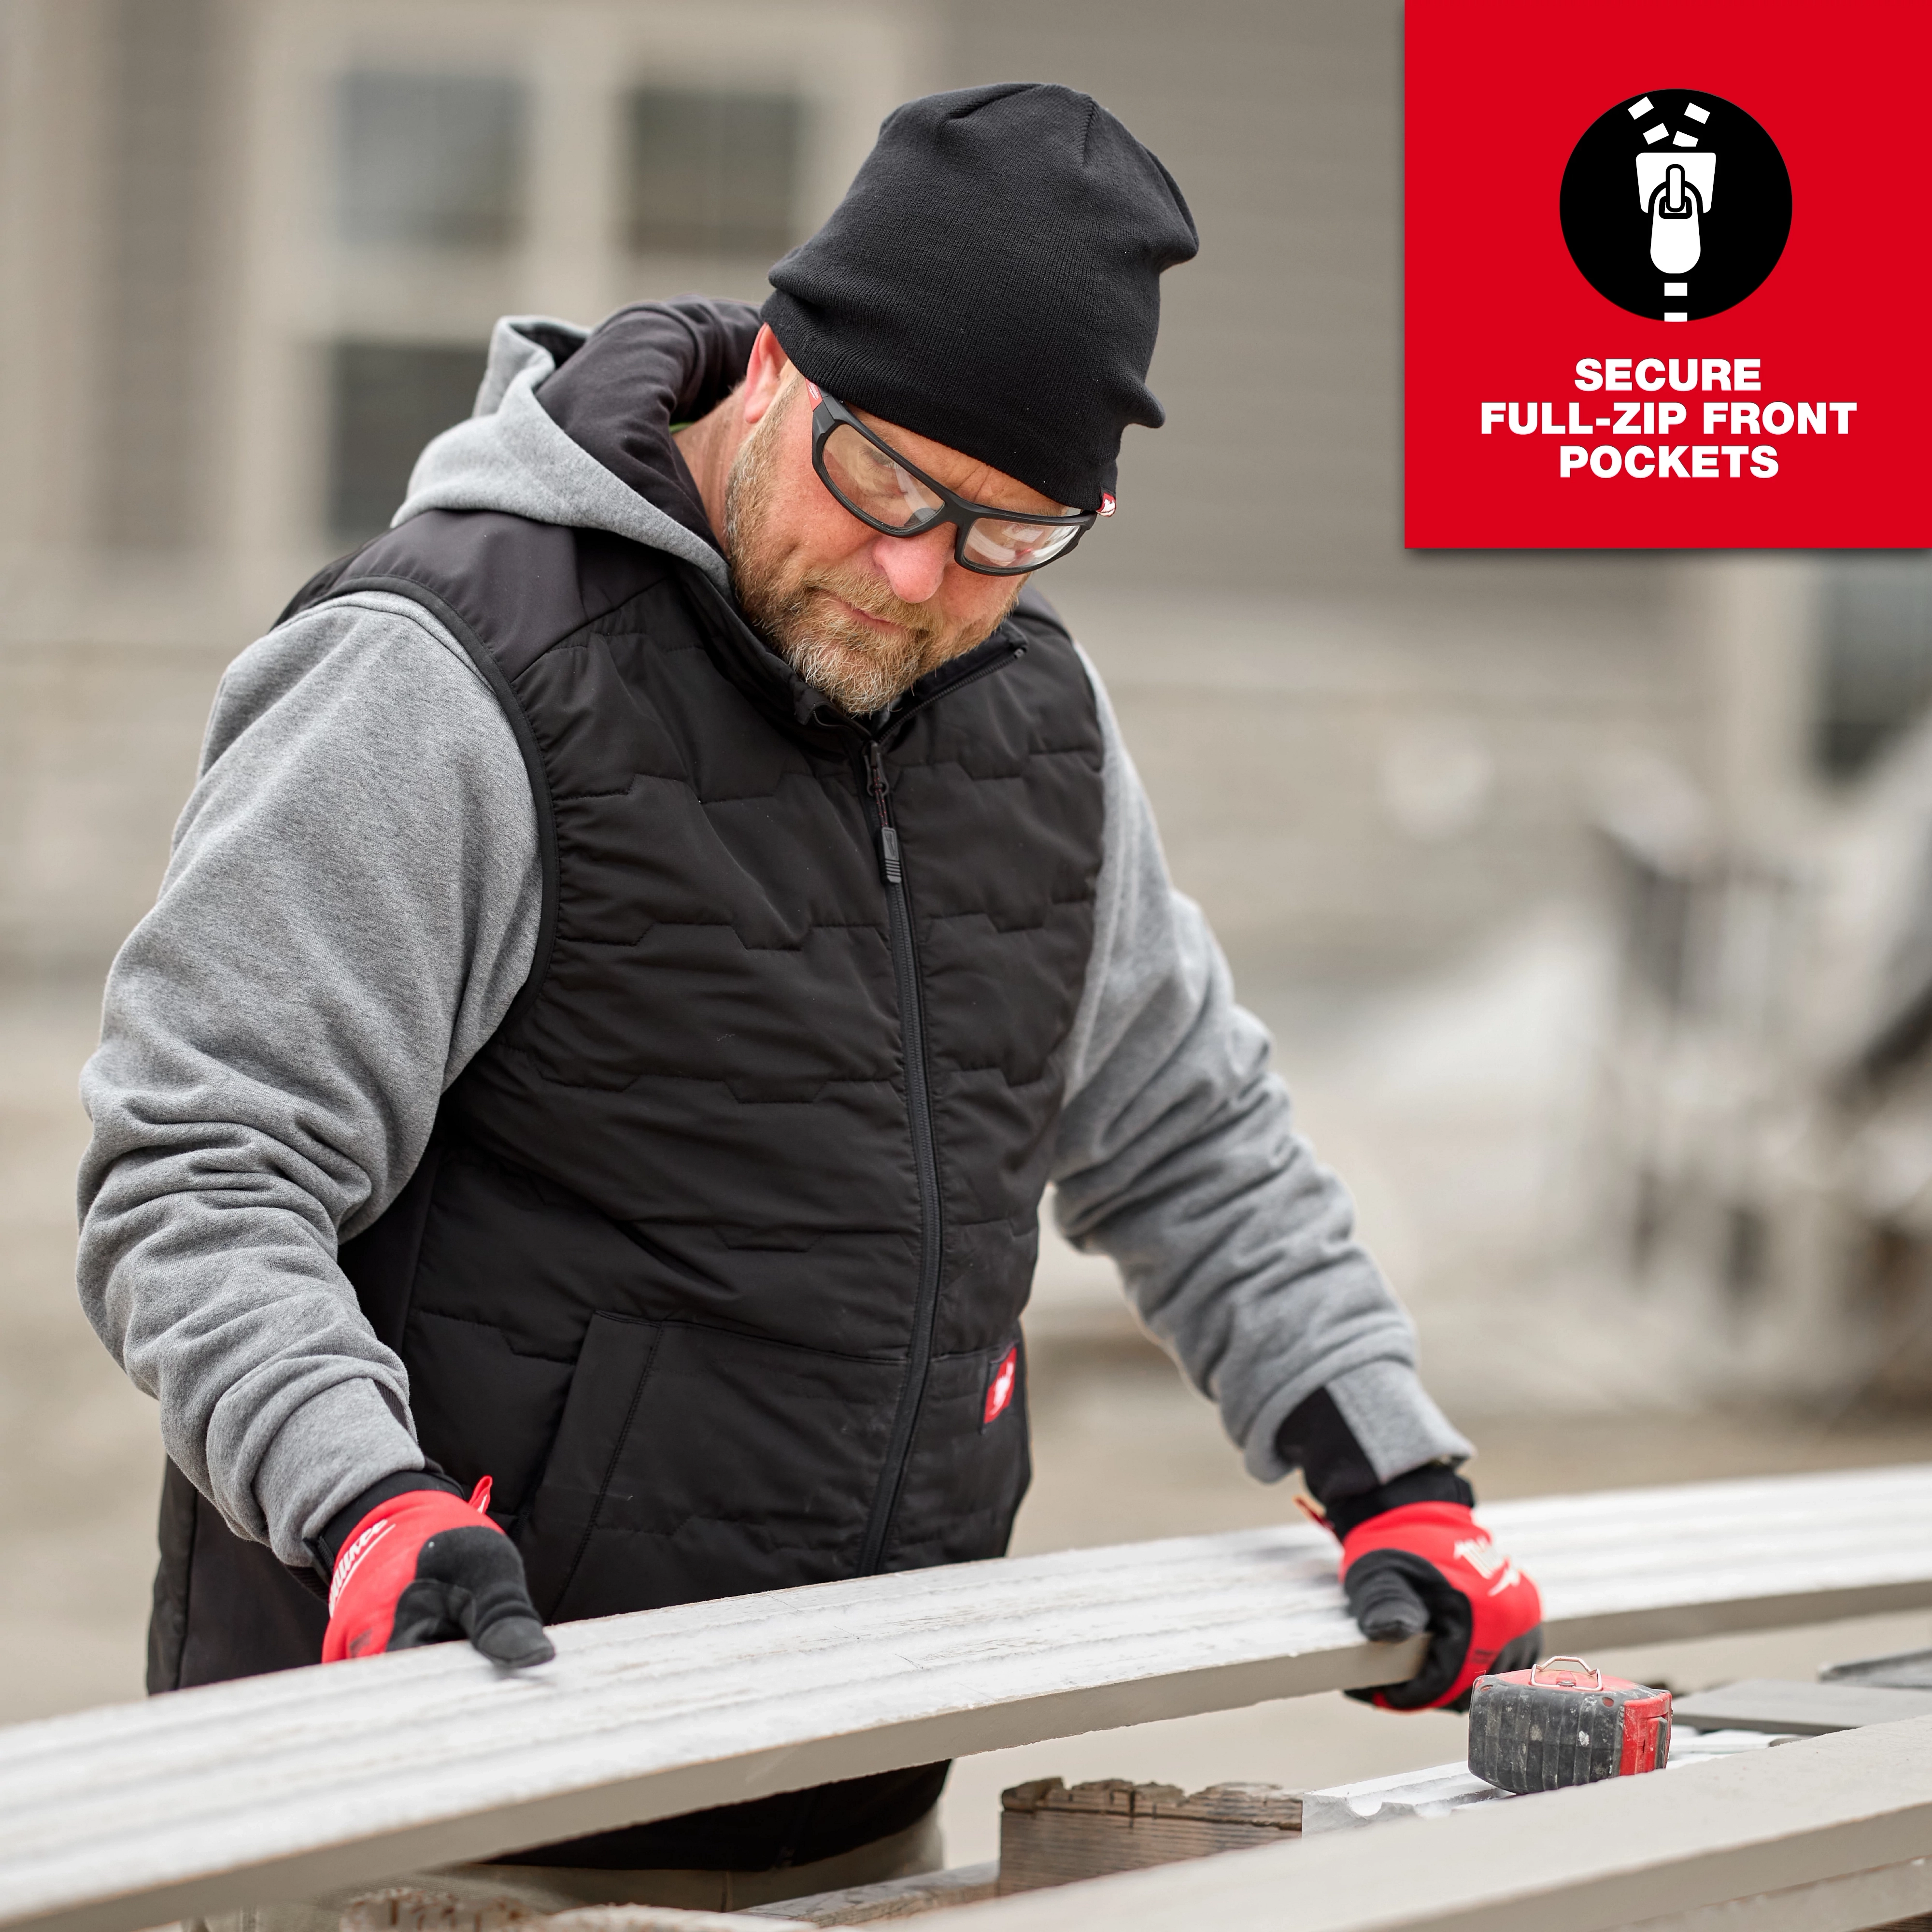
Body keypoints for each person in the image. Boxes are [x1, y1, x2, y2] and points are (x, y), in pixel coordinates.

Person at [77, 82, 1540, 1914]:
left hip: (841, 1797)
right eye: (883, 482)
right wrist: (362, 1497)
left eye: (1008, 534)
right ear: (772, 367)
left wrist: (1389, 1463)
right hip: (432, 1793)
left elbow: (1191, 1142)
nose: (920, 574)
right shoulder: (453, 676)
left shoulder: (1041, 734)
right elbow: (198, 1175)